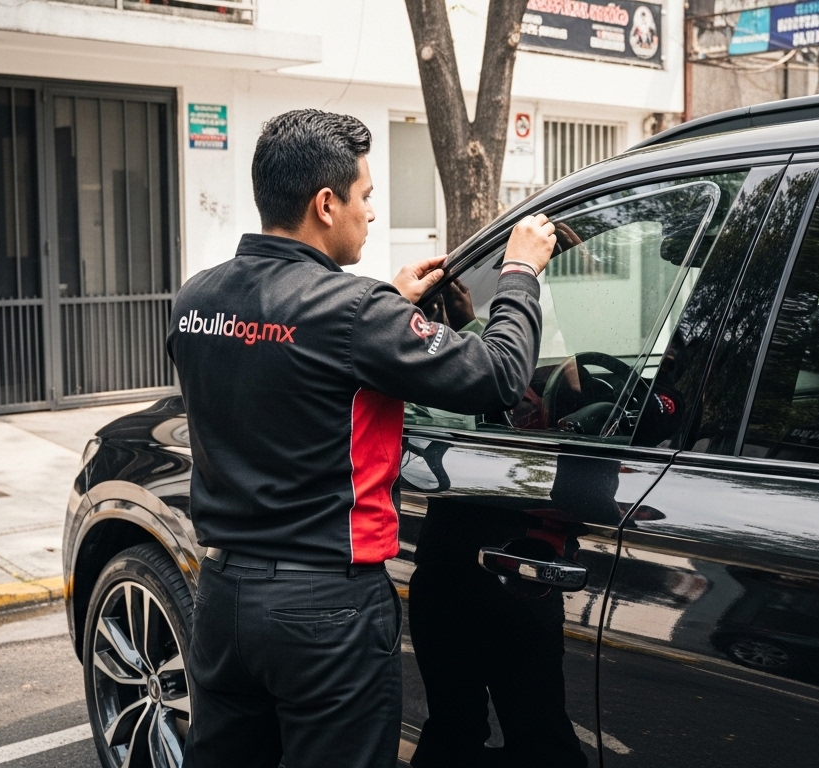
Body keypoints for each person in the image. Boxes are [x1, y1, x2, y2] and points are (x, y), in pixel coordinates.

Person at [167, 109, 556, 768]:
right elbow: (498, 376)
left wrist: (390, 309)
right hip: (325, 611)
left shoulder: (196, 299)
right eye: (365, 196)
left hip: (223, 599)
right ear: (326, 204)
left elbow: (280, 369)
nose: (371, 213)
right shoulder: (356, 312)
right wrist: (518, 273)